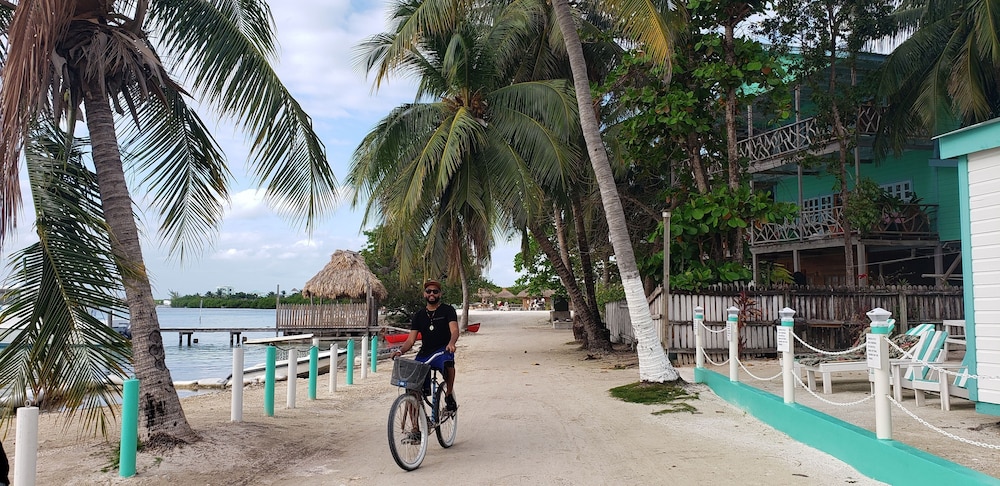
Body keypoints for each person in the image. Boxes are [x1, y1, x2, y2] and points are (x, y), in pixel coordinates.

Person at [393, 280, 460, 412]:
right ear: (424, 294)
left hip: (442, 350)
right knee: (412, 388)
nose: (432, 294)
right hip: (424, 354)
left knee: (448, 364)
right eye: (428, 291)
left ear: (440, 294)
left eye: (435, 291)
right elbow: (410, 340)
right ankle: (415, 428)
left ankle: (448, 394)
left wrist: (451, 343)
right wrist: (400, 351)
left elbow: (455, 330)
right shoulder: (419, 315)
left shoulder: (448, 310)